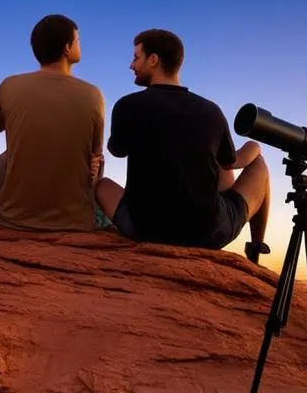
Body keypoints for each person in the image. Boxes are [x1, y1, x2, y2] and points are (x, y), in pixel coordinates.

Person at [94, 28, 272, 260]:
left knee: (102, 185)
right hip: (207, 233)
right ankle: (256, 246)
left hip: (143, 229)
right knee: (258, 166)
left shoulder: (127, 105)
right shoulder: (211, 111)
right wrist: (254, 148)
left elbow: (117, 151)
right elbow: (231, 164)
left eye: (136, 57)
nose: (132, 65)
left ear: (153, 60)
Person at [0, 14, 105, 231]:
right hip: (76, 220)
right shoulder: (93, 95)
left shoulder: (9, 85)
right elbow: (94, 158)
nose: (80, 45)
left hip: (12, 216)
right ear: (67, 49)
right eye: (78, 40)